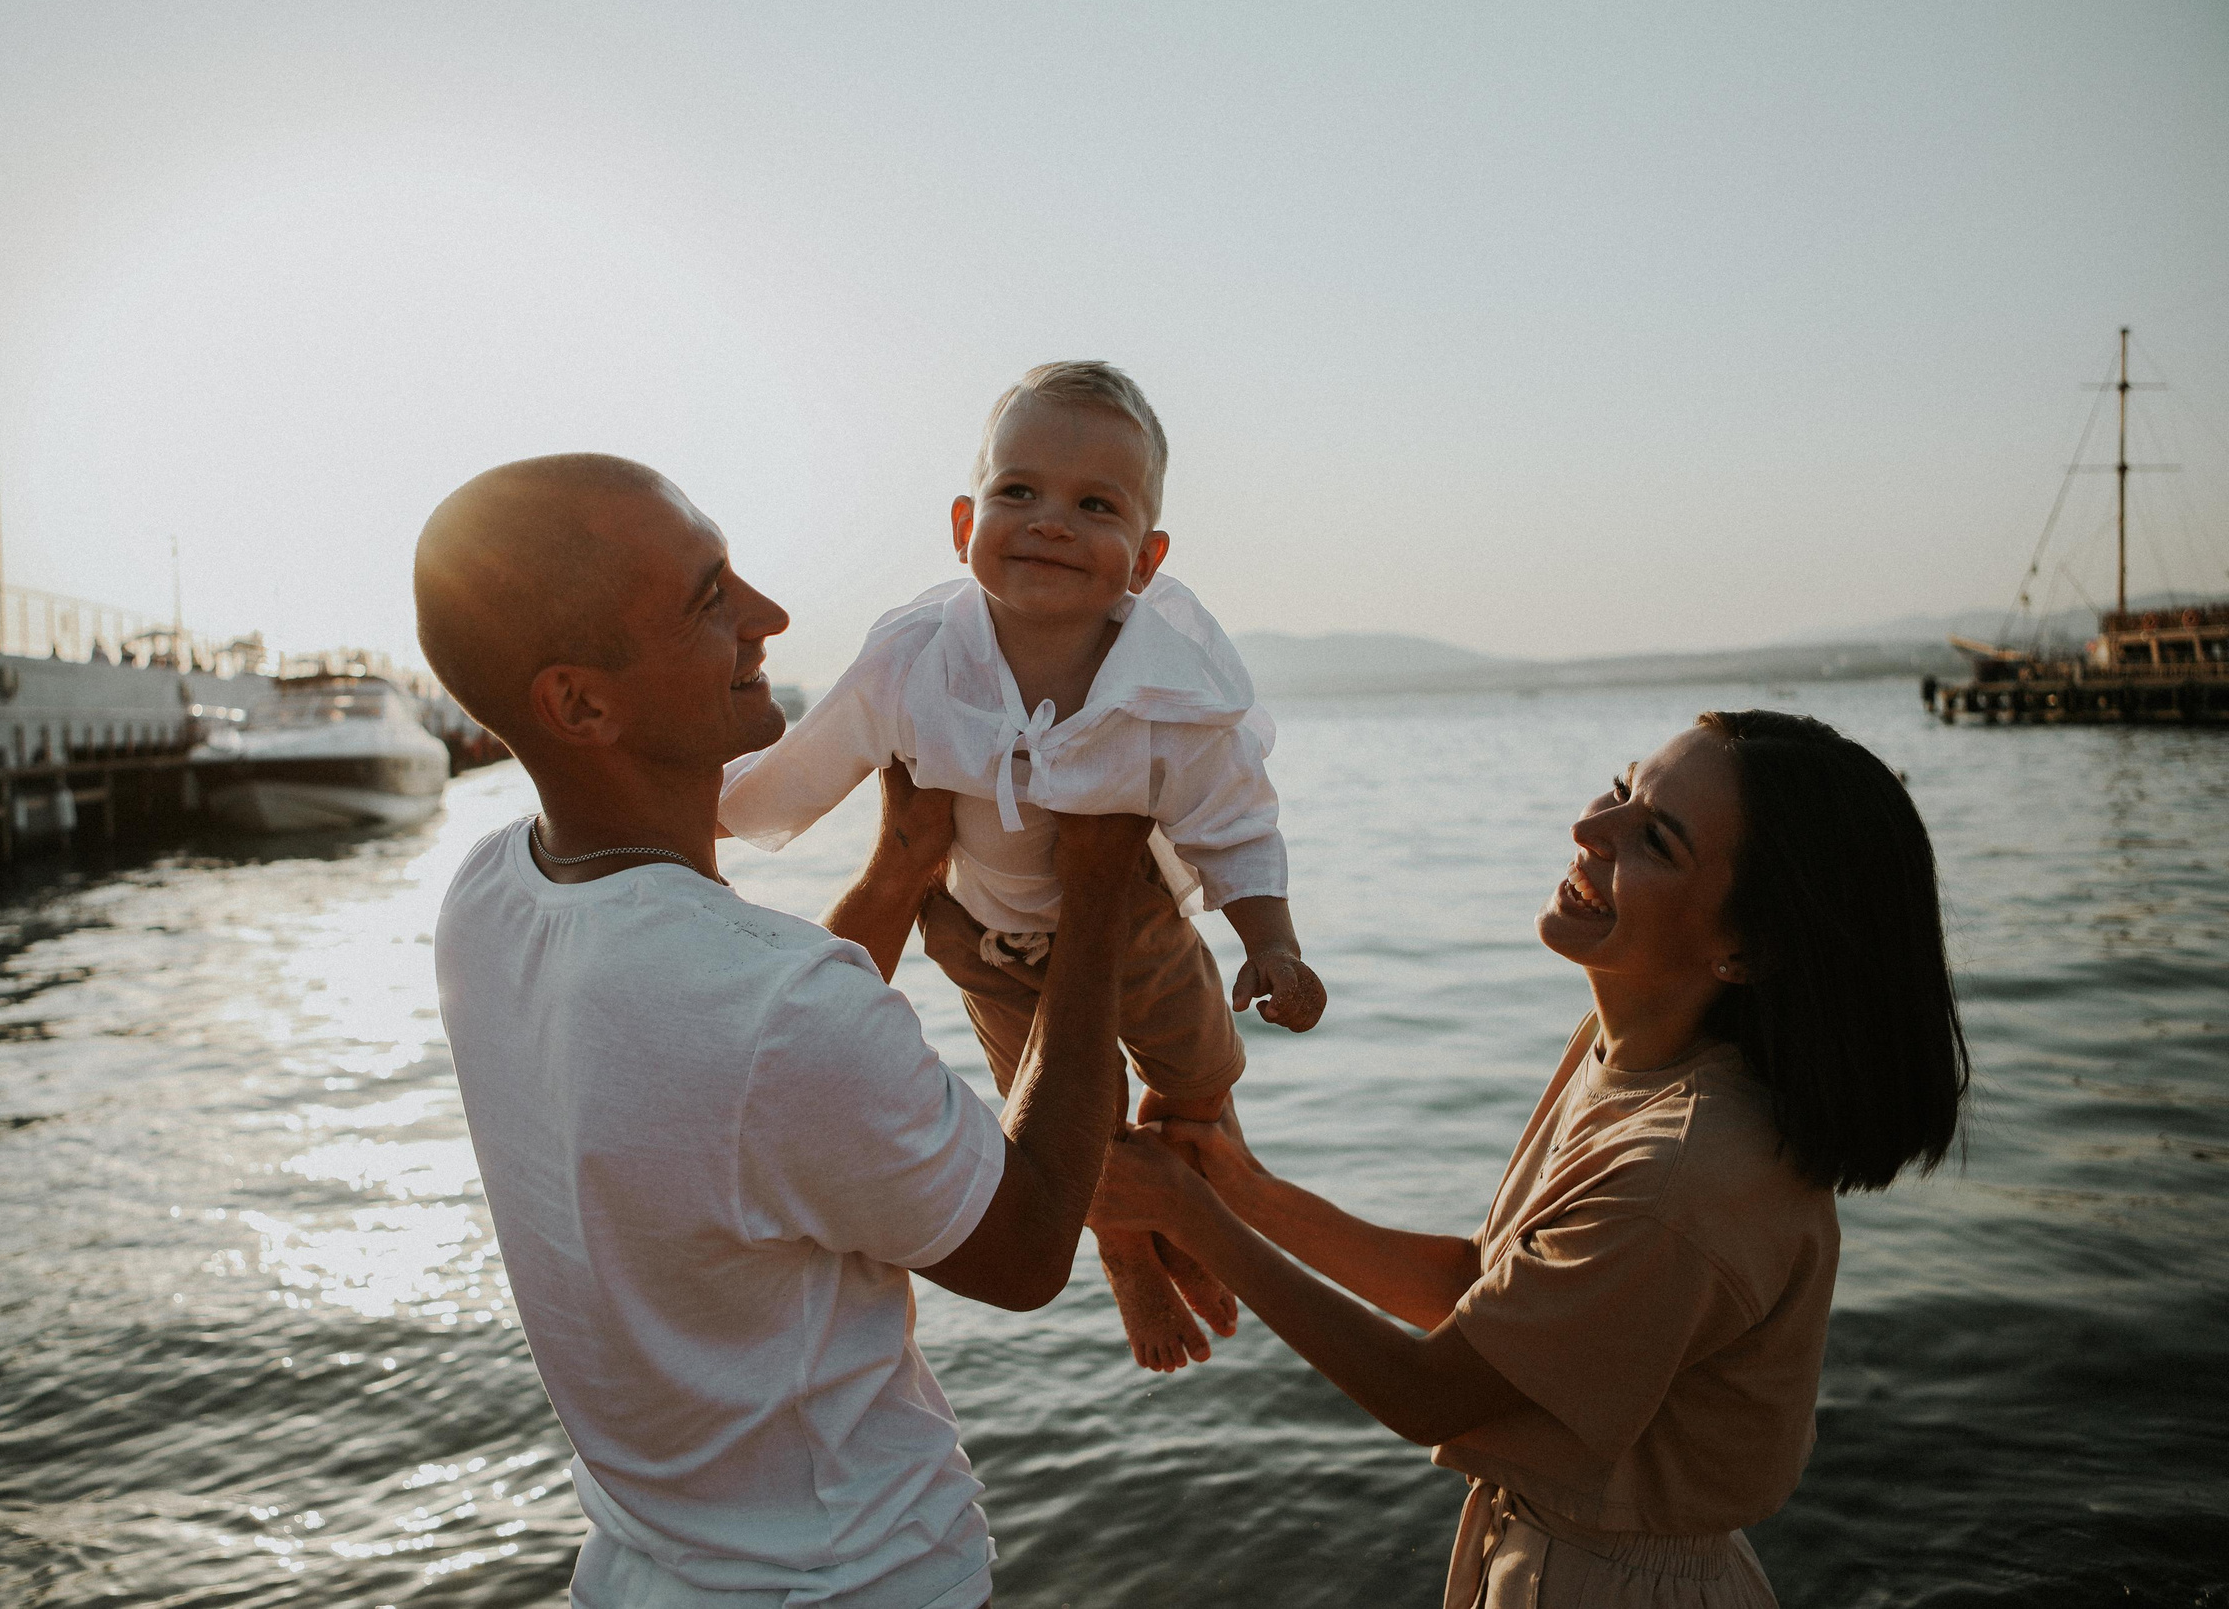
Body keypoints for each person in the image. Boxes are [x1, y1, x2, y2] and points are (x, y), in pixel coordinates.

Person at [414, 454, 1152, 1609]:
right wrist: (1101, 885)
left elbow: (735, 1075)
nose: (770, 615)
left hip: (638, 1574)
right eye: (712, 598)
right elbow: (1019, 1250)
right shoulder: (775, 1010)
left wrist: (906, 861)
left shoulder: (489, 894)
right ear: (580, 703)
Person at [1098, 711, 1969, 1606]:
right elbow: (1491, 1293)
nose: (1590, 830)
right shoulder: (1635, 1054)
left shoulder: (1679, 1175)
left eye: (1655, 839)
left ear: (1744, 948)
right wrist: (1248, 1194)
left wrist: (1192, 1218)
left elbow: (1430, 1392)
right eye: (1625, 788)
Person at [719, 360, 1327, 1373]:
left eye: (1095, 505)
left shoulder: (1171, 677)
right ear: (964, 528)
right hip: (980, 936)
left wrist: (1272, 940)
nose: (1050, 520)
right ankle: (1124, 1252)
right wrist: (689, 808)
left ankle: (1206, 1192)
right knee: (1052, 1132)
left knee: (1203, 1072)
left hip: (1135, 919)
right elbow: (803, 768)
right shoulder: (914, 657)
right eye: (1018, 493)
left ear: (1143, 558)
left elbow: (1232, 814)